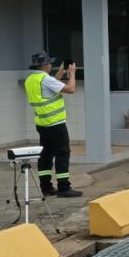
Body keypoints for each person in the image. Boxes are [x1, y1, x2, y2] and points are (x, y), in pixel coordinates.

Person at [24, 52, 82, 198]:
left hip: (42, 124)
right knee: (62, 154)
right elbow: (71, 89)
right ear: (44, 65)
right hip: (56, 124)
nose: (51, 65)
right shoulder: (45, 79)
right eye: (49, 63)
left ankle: (46, 187)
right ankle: (64, 188)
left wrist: (61, 72)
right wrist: (72, 74)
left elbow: (52, 86)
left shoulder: (31, 79)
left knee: (45, 155)